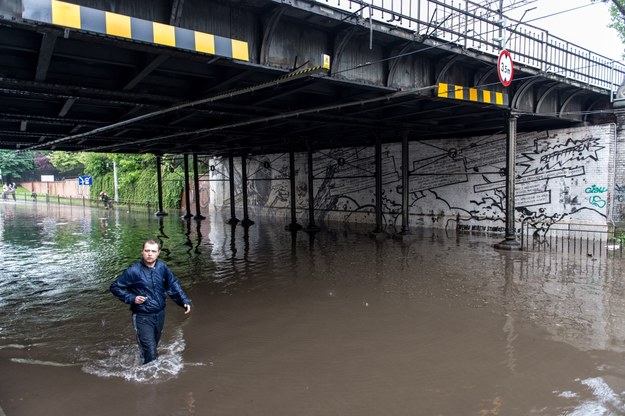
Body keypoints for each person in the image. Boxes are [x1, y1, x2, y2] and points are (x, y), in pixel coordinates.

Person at [110, 240, 191, 364]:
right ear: (142, 252)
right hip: (142, 316)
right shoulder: (134, 271)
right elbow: (115, 287)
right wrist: (132, 298)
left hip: (159, 314)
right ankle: (149, 377)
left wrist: (183, 300)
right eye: (147, 251)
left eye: (153, 251)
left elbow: (172, 284)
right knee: (151, 352)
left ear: (158, 253)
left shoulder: (162, 267)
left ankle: (143, 365)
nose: (150, 254)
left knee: (153, 346)